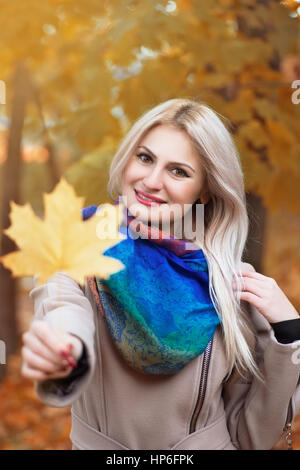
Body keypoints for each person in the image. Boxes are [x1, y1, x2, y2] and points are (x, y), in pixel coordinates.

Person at [22, 98, 300, 450]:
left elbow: (252, 437)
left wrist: (290, 332)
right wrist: (67, 348)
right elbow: (61, 305)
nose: (151, 181)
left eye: (178, 171)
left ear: (205, 192)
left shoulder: (231, 283)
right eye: (145, 157)